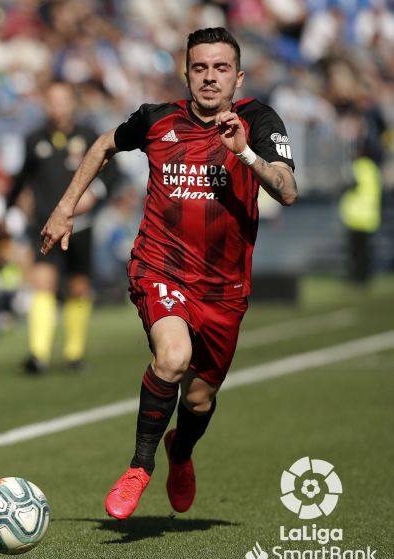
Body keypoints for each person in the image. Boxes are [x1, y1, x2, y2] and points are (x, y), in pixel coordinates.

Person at [40, 27, 297, 519]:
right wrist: (66, 207)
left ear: (238, 76)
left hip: (224, 289)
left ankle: (180, 453)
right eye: (200, 67)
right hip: (161, 266)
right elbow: (101, 145)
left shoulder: (258, 120)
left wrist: (244, 151)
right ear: (186, 73)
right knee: (173, 356)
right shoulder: (157, 120)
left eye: (221, 68)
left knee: (198, 402)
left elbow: (286, 190)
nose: (209, 77)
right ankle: (140, 466)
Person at [8, 81, 117, 373]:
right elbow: (23, 178)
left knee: (78, 287)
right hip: (46, 226)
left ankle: (74, 353)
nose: (57, 105)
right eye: (52, 99)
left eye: (63, 99)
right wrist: (10, 207)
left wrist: (95, 195)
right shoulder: (34, 139)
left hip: (81, 226)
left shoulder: (89, 136)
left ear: (73, 103)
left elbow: (112, 171)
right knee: (42, 283)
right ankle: (38, 354)